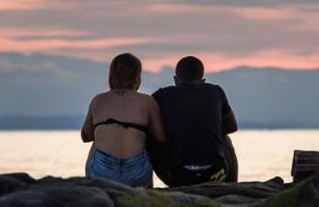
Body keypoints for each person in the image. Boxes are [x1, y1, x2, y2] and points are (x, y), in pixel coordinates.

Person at [149, 55, 239, 186]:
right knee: (225, 138)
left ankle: (145, 186)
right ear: (203, 80)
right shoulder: (215, 92)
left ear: (175, 80)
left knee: (149, 138)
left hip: (176, 176)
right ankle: (232, 186)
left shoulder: (161, 96)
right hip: (214, 174)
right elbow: (232, 126)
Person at [81, 53, 166, 187]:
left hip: (102, 172)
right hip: (136, 172)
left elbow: (86, 135)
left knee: (96, 142)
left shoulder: (98, 100)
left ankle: (94, 186)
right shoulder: (147, 101)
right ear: (137, 77)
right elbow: (161, 137)